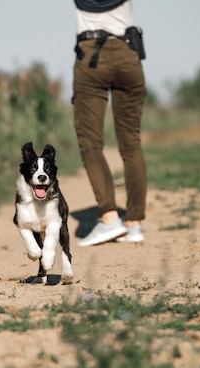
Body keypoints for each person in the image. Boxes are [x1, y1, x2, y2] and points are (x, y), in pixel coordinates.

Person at [72, 0, 147, 247]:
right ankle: (133, 223)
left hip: (92, 55)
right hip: (128, 52)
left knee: (91, 143)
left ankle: (109, 218)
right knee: (131, 143)